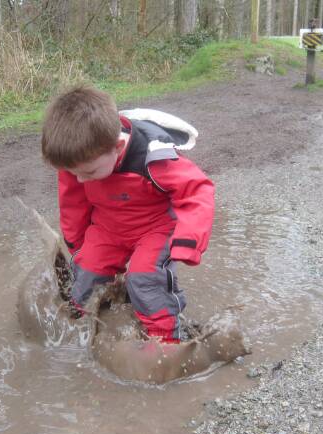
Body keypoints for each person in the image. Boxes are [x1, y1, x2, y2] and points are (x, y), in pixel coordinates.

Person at [41, 86, 214, 344]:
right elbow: (73, 203)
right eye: (72, 173)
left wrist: (188, 242)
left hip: (156, 229)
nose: (79, 179)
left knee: (144, 279)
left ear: (117, 147)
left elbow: (196, 190)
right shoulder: (80, 160)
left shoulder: (154, 158)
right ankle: (81, 326)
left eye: (88, 174)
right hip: (108, 228)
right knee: (86, 272)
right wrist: (76, 242)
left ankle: (165, 341)